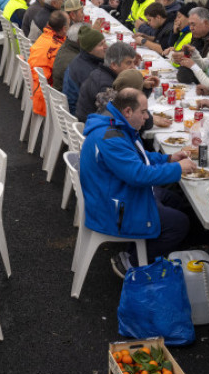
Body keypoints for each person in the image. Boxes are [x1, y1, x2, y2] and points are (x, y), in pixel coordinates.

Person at [79, 88, 195, 276]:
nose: (147, 117)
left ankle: (142, 250)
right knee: (179, 224)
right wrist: (177, 169)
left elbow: (136, 157)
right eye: (143, 112)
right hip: (113, 208)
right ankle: (131, 263)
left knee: (175, 200)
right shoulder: (110, 137)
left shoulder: (114, 124)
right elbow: (138, 175)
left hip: (113, 193)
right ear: (127, 111)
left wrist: (168, 159)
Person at [75, 41, 138, 122]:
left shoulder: (101, 73)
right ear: (114, 65)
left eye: (134, 62)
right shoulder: (105, 86)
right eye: (128, 63)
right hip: (92, 127)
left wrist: (144, 87)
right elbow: (126, 117)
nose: (133, 67)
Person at [29, 10, 69, 119]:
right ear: (64, 29)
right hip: (44, 96)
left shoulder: (44, 36)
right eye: (69, 24)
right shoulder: (57, 49)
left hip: (36, 86)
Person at [62, 25, 107, 112]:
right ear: (90, 49)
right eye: (101, 44)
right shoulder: (87, 71)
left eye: (105, 42)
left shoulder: (82, 59)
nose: (106, 47)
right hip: (78, 114)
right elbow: (99, 100)